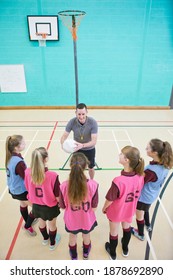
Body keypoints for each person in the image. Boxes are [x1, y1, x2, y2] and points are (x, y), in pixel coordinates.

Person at [102, 146, 145, 260]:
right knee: (127, 228)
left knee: (114, 232)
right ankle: (125, 249)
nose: (119, 155)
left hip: (116, 212)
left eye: (121, 154)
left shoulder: (118, 181)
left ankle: (112, 253)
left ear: (127, 160)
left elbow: (110, 199)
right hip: (129, 210)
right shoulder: (141, 176)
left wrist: (104, 208)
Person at [59, 152, 99, 260]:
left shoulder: (63, 186)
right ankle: (86, 253)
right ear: (86, 166)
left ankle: (74, 255)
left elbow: (62, 206)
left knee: (72, 236)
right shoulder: (93, 185)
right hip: (87, 219)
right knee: (86, 236)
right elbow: (94, 207)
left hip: (72, 220)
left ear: (70, 166)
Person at [131, 138, 173, 241]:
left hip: (144, 196)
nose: (146, 148)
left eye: (148, 148)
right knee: (146, 209)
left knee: (139, 214)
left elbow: (139, 183)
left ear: (154, 153)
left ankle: (140, 234)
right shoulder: (165, 164)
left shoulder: (151, 171)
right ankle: (148, 225)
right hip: (152, 194)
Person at [24, 147, 61, 250]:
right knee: (52, 225)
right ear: (46, 159)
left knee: (41, 222)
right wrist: (61, 204)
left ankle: (45, 239)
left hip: (36, 205)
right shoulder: (52, 176)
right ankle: (52, 243)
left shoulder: (27, 172)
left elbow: (27, 188)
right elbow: (58, 195)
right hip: (50, 206)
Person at [5, 135, 36, 236]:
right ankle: (27, 225)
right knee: (37, 208)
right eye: (22, 143)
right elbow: (26, 178)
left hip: (14, 189)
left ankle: (27, 221)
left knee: (23, 204)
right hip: (20, 190)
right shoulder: (19, 163)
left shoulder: (11, 158)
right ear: (16, 147)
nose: (25, 144)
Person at [60, 103, 98, 179]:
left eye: (83, 114)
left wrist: (82, 145)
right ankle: (77, 181)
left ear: (87, 112)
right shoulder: (72, 122)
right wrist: (63, 145)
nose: (81, 116)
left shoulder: (93, 122)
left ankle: (91, 181)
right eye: (79, 114)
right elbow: (64, 136)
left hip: (89, 149)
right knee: (76, 167)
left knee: (91, 167)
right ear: (75, 113)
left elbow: (94, 141)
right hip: (77, 149)